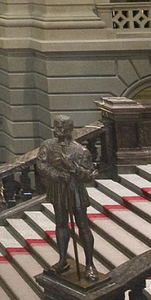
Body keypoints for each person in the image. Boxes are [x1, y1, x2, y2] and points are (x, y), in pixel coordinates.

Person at [37, 115, 99, 281]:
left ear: (69, 129)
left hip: (75, 190)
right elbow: (41, 165)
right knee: (61, 223)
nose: (58, 131)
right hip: (58, 188)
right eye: (57, 126)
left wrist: (73, 168)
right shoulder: (47, 146)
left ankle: (90, 264)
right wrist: (57, 175)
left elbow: (90, 175)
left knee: (83, 226)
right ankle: (63, 259)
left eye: (62, 127)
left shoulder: (80, 151)